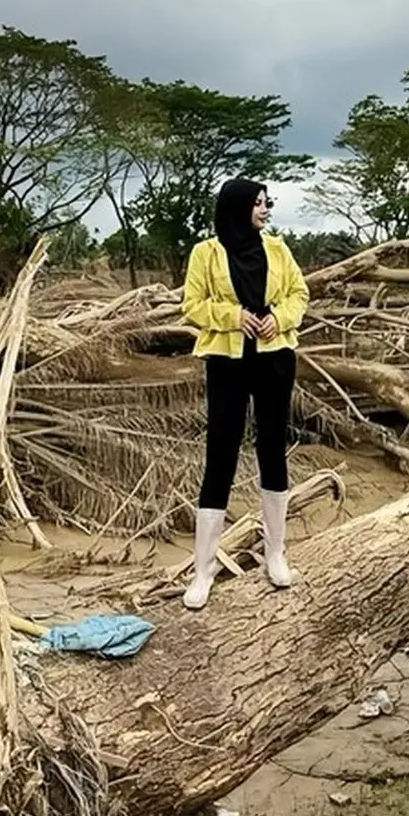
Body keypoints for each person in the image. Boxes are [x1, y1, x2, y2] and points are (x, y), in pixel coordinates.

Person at [179, 177, 309, 610]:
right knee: (221, 453)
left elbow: (299, 293)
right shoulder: (205, 252)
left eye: (267, 202)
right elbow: (192, 305)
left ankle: (276, 555)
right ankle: (203, 571)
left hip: (275, 359)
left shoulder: (278, 249)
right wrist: (232, 316)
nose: (265, 209)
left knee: (272, 447)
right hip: (227, 361)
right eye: (257, 203)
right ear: (236, 207)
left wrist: (280, 319)